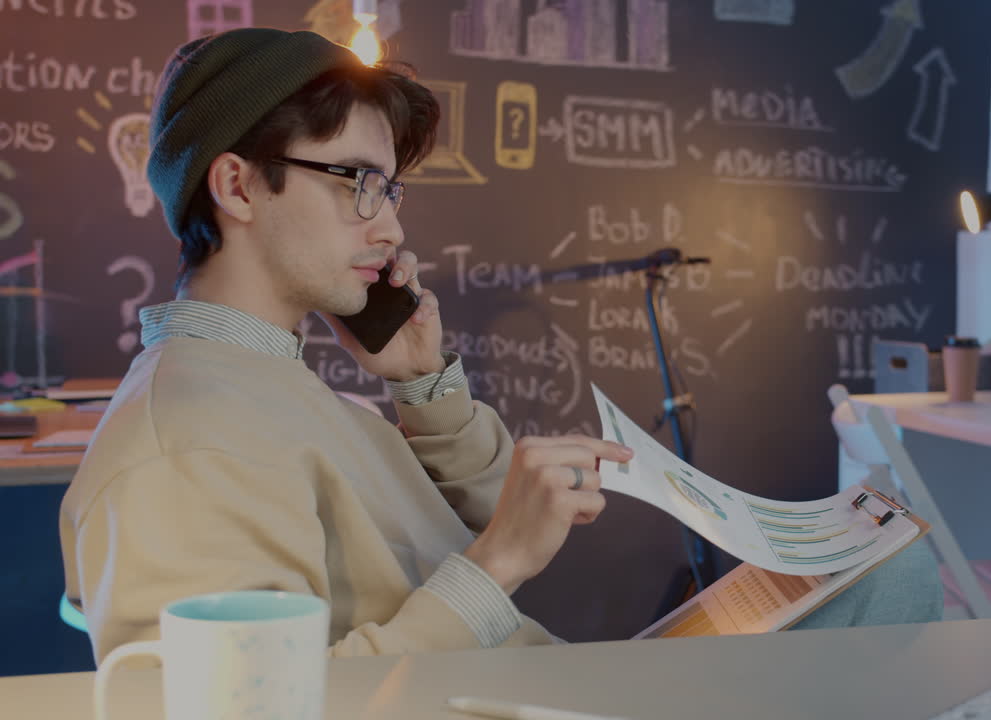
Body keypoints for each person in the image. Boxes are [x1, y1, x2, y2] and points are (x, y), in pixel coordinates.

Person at [61, 28, 940, 664]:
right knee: (896, 584)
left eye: (392, 188)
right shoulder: (187, 438)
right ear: (238, 185)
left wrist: (425, 390)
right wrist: (497, 567)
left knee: (879, 571)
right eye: (359, 183)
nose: (392, 221)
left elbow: (474, 519)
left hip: (548, 677)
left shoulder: (275, 381)